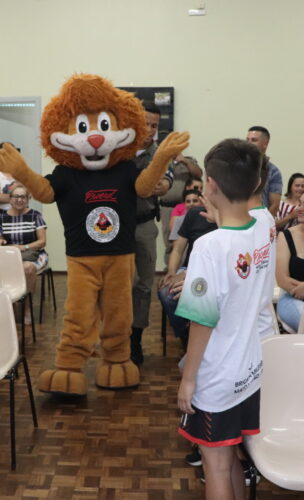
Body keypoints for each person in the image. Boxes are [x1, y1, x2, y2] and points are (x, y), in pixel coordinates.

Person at [176, 138, 273, 500]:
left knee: (215, 464)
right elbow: (243, 224)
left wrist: (189, 380)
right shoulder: (264, 225)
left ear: (210, 186)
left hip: (217, 376)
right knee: (231, 456)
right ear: (257, 184)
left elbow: (203, 320)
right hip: (251, 369)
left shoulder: (209, 247)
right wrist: (220, 214)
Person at [131, 103, 174, 365]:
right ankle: (114, 338)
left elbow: (166, 175)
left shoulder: (159, 153)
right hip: (115, 226)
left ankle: (135, 340)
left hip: (145, 224)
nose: (149, 129)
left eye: (154, 125)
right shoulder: (118, 151)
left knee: (144, 285)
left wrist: (166, 184)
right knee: (116, 285)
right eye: (145, 123)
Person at [158, 205, 217, 350]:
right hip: (189, 268)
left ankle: (201, 337)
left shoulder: (229, 215)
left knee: (201, 295)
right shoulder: (194, 213)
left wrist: (188, 275)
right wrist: (171, 272)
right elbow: (178, 249)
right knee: (167, 292)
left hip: (215, 273)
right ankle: (187, 334)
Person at [0, 185, 48, 323]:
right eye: (16, 196)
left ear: (28, 199)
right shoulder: (0, 217)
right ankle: (10, 305)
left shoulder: (35, 215)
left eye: (23, 196)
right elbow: (0, 238)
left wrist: (22, 247)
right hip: (11, 255)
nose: (19, 200)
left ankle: (27, 308)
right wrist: (1, 242)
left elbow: (42, 242)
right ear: (10, 199)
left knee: (27, 268)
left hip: (34, 254)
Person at [159, 155, 202, 263]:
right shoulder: (161, 159)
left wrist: (185, 161)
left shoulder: (188, 160)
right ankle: (169, 270)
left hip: (185, 206)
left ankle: (184, 267)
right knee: (169, 240)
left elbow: (199, 174)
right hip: (166, 207)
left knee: (186, 239)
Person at [276, 193, 304, 332]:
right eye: (300, 203)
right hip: (291, 299)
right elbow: (282, 280)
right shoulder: (286, 236)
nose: (300, 208)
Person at [246, 126, 282, 216]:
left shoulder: (273, 172)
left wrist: (264, 223)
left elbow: (275, 205)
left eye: (254, 140)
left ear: (265, 144)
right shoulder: (238, 166)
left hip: (260, 219)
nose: (248, 143)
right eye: (247, 140)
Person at [0, 142, 19, 233]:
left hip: (20, 213)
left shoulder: (22, 175)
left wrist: (5, 197)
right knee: (2, 243)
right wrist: (18, 197)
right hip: (2, 215)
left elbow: (28, 195)